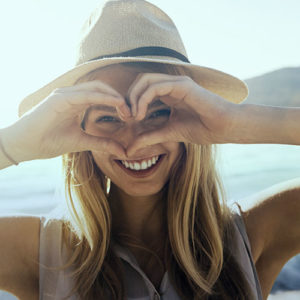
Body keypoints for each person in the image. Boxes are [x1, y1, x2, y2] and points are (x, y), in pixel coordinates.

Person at [0, 1, 299, 299]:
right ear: (79, 139)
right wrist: (14, 145)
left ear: (194, 115)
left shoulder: (254, 233)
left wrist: (236, 123)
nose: (135, 140)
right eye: (107, 117)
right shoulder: (39, 252)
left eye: (157, 112)